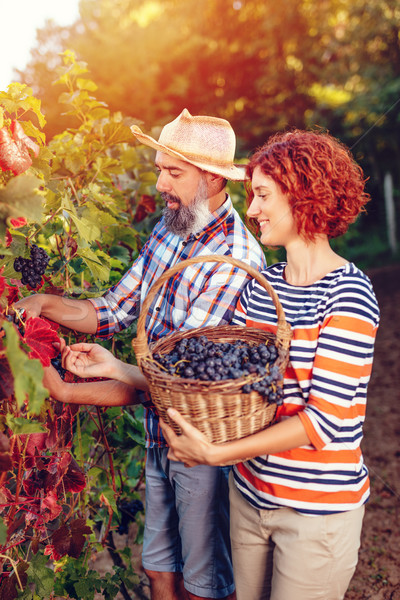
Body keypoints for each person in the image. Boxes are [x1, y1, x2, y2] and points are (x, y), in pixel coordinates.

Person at [16, 108, 267, 600]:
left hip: (200, 445)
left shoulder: (234, 258)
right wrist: (44, 304)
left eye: (173, 172)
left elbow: (184, 380)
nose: (160, 183)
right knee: (158, 573)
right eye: (158, 169)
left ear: (213, 178)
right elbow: (113, 308)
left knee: (201, 585)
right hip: (159, 437)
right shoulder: (169, 228)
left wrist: (70, 390)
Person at [155, 129, 380, 600]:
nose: (251, 209)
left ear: (303, 195)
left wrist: (215, 455)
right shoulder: (262, 287)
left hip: (315, 513)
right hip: (250, 496)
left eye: (261, 195)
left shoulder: (349, 295)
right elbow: (211, 378)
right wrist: (120, 372)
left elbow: (324, 423)